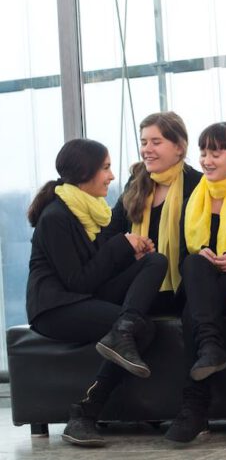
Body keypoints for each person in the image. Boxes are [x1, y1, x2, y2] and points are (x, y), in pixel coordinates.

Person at [26, 138, 167, 447]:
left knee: (156, 261)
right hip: (55, 308)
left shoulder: (93, 212)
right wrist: (120, 245)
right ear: (84, 172)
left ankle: (123, 329)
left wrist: (132, 253)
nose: (112, 176)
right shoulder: (56, 217)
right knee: (144, 331)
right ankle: (84, 414)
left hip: (83, 298)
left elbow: (97, 273)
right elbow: (77, 281)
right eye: (105, 168)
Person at [165, 122, 226, 443]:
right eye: (203, 153)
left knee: (192, 314)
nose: (207, 160)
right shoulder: (195, 193)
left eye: (216, 152)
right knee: (194, 261)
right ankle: (211, 346)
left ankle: (195, 409)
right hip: (202, 279)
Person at [102, 112, 202, 313]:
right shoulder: (136, 182)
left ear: (179, 147)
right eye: (144, 142)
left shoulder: (198, 184)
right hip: (138, 285)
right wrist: (130, 249)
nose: (147, 149)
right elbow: (110, 233)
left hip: (181, 291)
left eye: (156, 142)